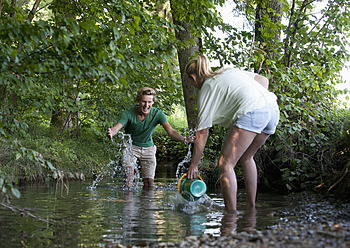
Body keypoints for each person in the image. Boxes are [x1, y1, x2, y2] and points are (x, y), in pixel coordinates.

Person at [185, 55, 280, 211]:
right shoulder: (227, 71)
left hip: (253, 112)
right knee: (247, 157)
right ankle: (251, 207)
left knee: (225, 163)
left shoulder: (207, 87)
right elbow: (263, 80)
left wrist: (194, 165)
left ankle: (231, 214)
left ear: (193, 77)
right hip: (272, 109)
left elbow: (202, 132)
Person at [107, 87, 192, 189]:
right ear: (138, 101)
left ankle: (146, 204)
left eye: (149, 102)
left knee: (149, 183)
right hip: (130, 147)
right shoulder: (128, 114)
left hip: (148, 149)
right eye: (143, 102)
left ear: (153, 102)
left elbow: (170, 131)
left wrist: (184, 139)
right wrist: (112, 132)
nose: (146, 105)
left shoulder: (157, 114)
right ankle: (128, 204)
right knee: (129, 177)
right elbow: (117, 127)